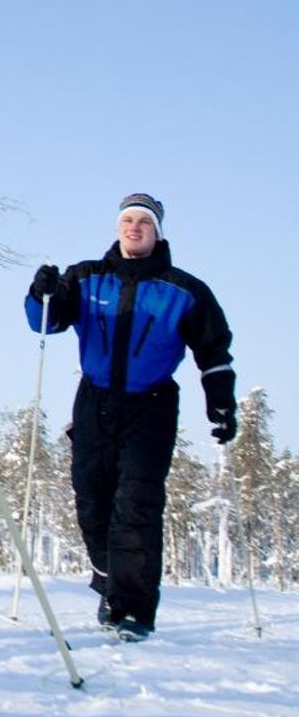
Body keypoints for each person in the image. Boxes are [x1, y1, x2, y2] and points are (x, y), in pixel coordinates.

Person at [26, 194, 236, 640]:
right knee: (92, 504)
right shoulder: (86, 278)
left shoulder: (186, 291)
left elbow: (213, 351)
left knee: (136, 506)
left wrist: (221, 403)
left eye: (143, 221)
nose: (133, 227)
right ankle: (110, 582)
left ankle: (134, 612)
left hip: (151, 403)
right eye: (127, 220)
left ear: (157, 232)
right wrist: (40, 291)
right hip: (94, 401)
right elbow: (45, 321)